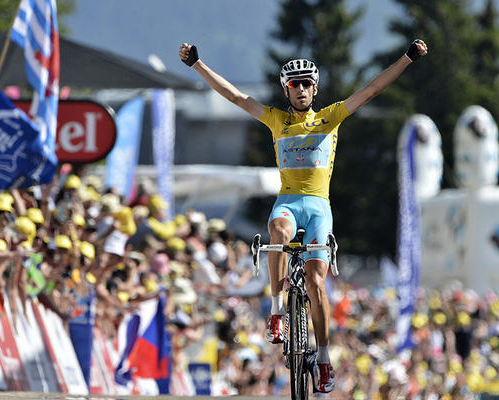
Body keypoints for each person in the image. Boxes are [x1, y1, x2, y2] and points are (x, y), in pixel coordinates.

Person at [179, 38, 427, 393]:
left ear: (315, 88)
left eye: (306, 83)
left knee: (316, 283)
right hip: (289, 202)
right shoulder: (277, 120)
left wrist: (407, 58)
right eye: (294, 84)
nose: (301, 89)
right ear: (286, 90)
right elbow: (235, 97)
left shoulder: (332, 116)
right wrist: (197, 65)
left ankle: (323, 357)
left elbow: (371, 89)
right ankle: (278, 311)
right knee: (277, 228)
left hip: (318, 208)